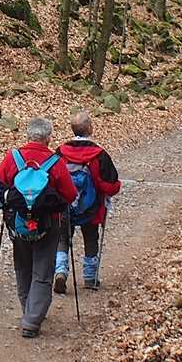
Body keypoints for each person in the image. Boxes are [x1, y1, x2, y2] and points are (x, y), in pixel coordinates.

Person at [0, 117, 77, 338]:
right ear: (48, 138)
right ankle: (32, 319)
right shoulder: (55, 162)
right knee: (43, 271)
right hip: (49, 224)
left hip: (18, 224)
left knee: (23, 268)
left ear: (28, 135)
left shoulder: (13, 158)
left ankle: (29, 310)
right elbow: (70, 194)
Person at [53, 112, 121, 293]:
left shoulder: (60, 152)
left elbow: (52, 178)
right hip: (91, 207)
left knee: (62, 238)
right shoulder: (99, 154)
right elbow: (110, 185)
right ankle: (90, 278)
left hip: (64, 205)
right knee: (91, 238)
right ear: (90, 129)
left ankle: (60, 271)